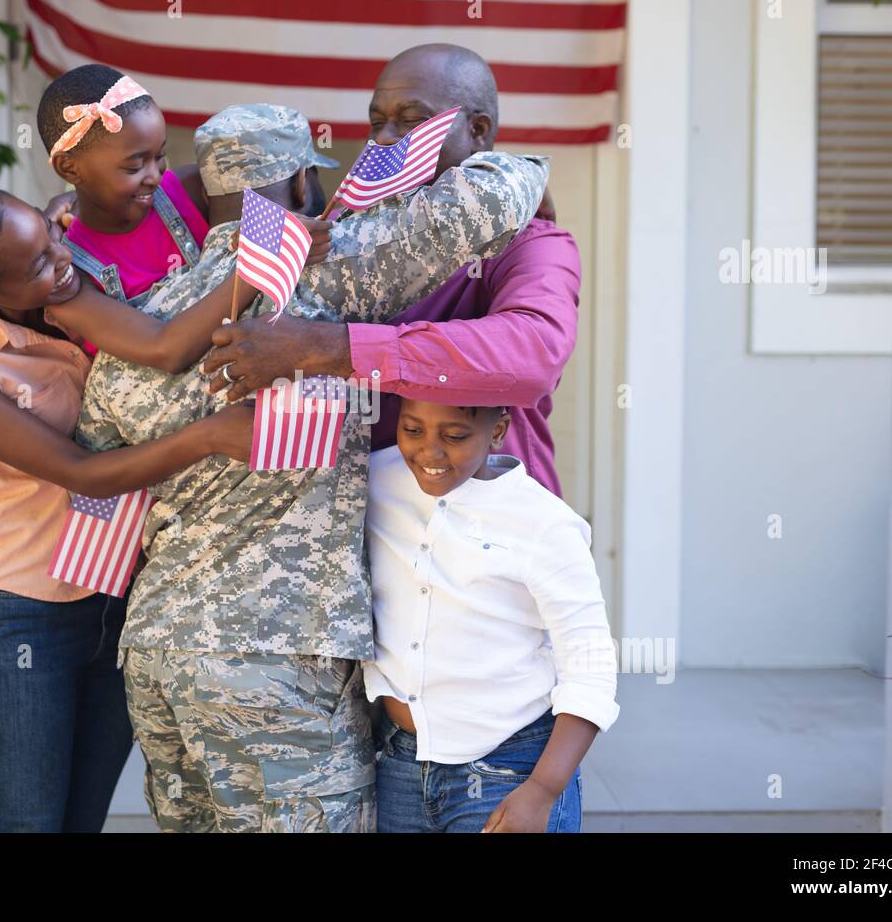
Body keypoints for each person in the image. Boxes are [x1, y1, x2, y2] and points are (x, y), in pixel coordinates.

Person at [74, 103, 549, 832]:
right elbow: (502, 188)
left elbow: (99, 482)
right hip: (281, 661)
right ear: (302, 184)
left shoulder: (134, 329)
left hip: (158, 651)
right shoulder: (327, 273)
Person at [0, 181, 261, 832]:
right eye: (36, 264)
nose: (62, 260)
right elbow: (82, 472)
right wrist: (209, 437)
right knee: (27, 823)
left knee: (82, 821)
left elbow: (178, 182)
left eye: (50, 238)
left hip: (119, 593)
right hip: (21, 609)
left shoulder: (73, 280)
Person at [201, 43, 579, 495]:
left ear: (477, 130)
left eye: (412, 121)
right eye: (376, 122)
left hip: (487, 519)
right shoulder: (354, 233)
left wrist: (327, 347)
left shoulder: (533, 241)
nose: (383, 140)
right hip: (374, 520)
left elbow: (533, 354)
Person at [365, 397, 619, 833]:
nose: (429, 451)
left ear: (498, 431)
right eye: (412, 429)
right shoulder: (374, 478)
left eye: (454, 435)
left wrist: (542, 789)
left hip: (510, 768)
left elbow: (590, 664)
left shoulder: (544, 522)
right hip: (398, 766)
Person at [37, 63, 335, 352]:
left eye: (160, 156)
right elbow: (161, 348)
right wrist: (264, 258)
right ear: (69, 168)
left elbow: (294, 206)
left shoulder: (188, 189)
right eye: (134, 166)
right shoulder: (67, 277)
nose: (155, 176)